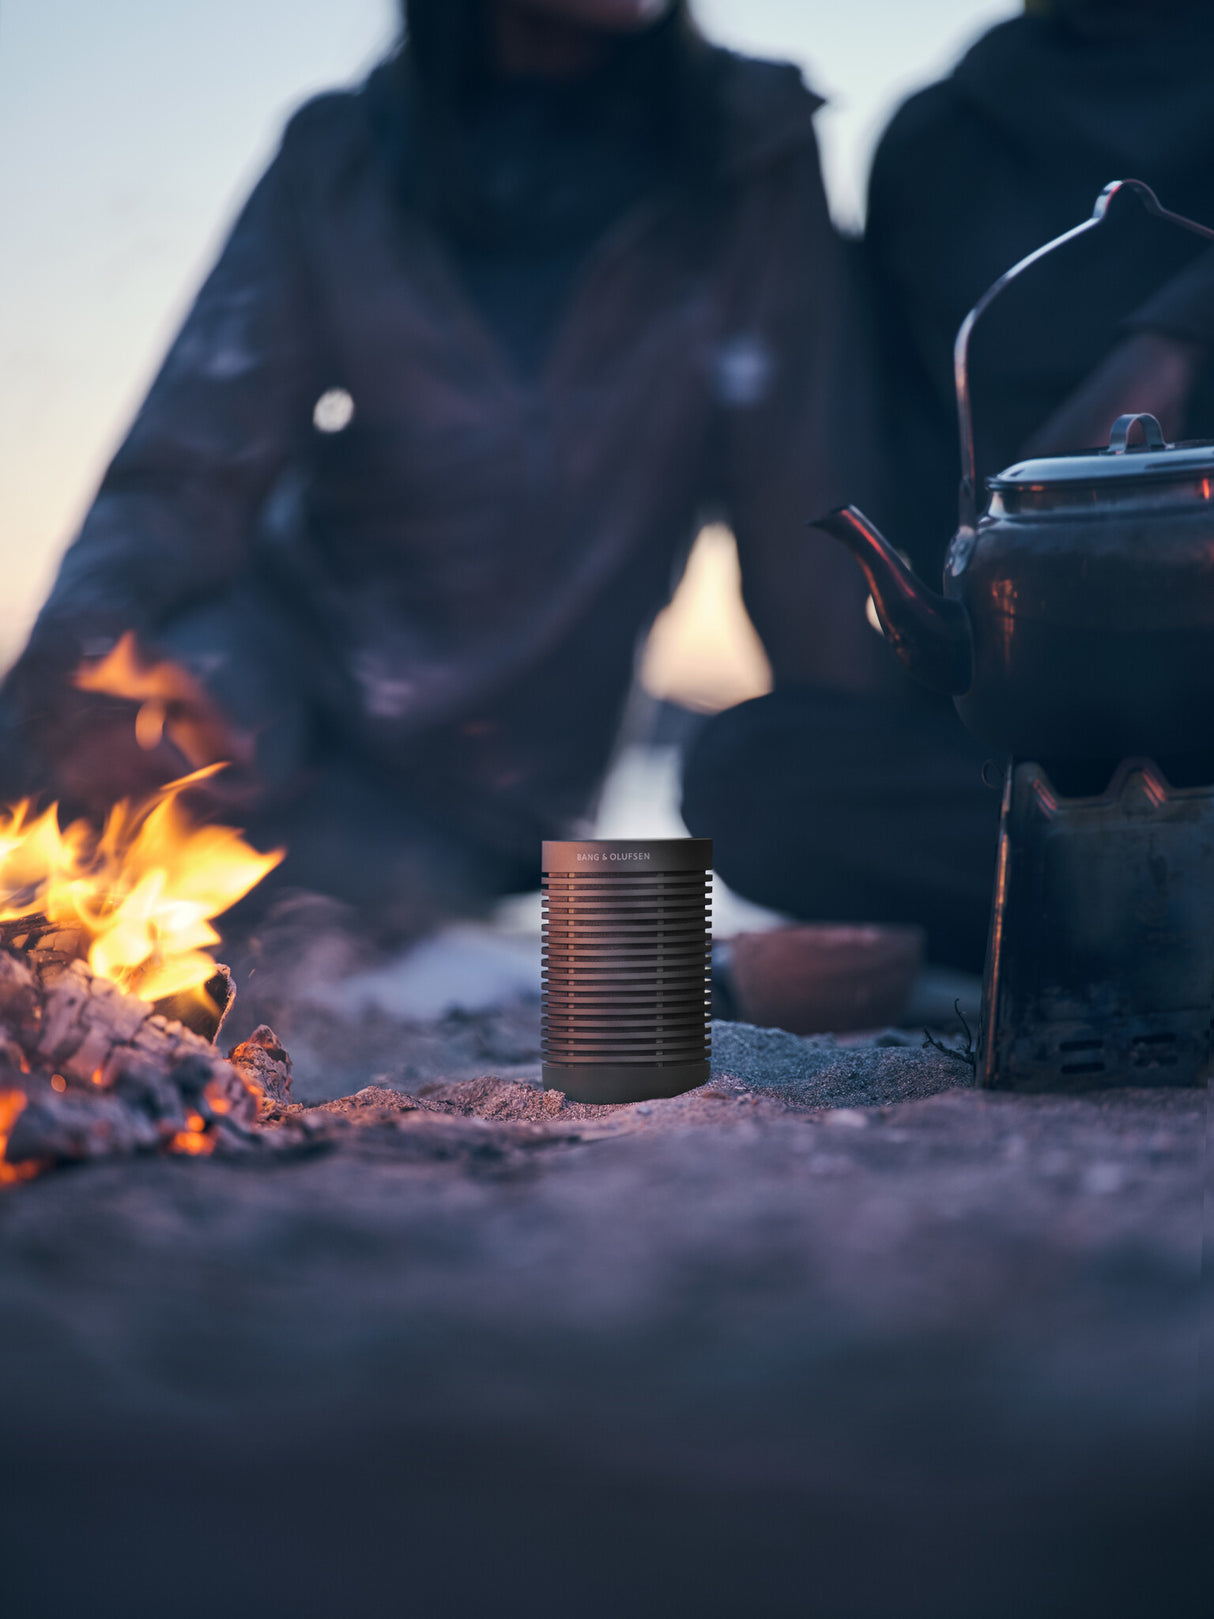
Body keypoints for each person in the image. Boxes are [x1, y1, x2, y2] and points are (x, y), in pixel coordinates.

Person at [0, 0, 880, 942]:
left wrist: (864, 834)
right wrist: (64, 677)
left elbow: (808, 525)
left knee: (332, 905)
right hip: (272, 678)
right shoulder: (342, 155)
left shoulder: (749, 159)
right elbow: (185, 469)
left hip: (484, 780)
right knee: (96, 768)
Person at [683, 0, 1214, 974]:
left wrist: (1173, 338)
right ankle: (1146, 911)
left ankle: (1105, 918)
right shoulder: (944, 138)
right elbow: (901, 441)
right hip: (1032, 731)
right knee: (750, 778)